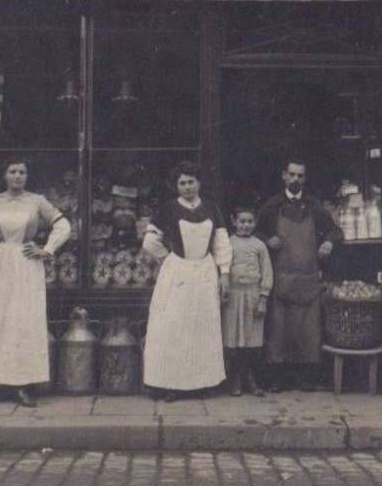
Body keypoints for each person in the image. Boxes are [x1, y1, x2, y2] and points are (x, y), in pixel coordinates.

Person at [0, 157, 71, 407]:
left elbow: (63, 225)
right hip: (1, 262)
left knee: (25, 321)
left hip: (27, 262)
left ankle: (24, 384)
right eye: (12, 171)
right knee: (1, 320)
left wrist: (47, 249)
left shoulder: (37, 201)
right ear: (4, 175)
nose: (17, 176)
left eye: (22, 172)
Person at [142, 161, 231, 402]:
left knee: (201, 326)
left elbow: (221, 243)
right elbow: (149, 243)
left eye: (191, 182)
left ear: (199, 183)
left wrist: (224, 274)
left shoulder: (212, 209)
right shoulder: (168, 209)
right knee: (174, 327)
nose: (187, 187)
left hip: (204, 273)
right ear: (176, 186)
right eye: (182, 183)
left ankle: (201, 383)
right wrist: (169, 259)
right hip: (178, 274)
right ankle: (172, 384)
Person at [256, 158, 342, 392]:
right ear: (284, 176)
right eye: (291, 175)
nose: (295, 179)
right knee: (278, 331)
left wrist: (328, 243)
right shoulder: (272, 206)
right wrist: (267, 239)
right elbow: (255, 232)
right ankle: (277, 381)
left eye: (300, 176)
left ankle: (304, 379)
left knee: (307, 332)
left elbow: (336, 232)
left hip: (308, 279)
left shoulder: (315, 206)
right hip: (281, 280)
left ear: (305, 178)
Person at [222, 207, 274, 397]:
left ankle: (250, 379)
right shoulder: (227, 244)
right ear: (234, 221)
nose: (246, 225)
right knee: (233, 339)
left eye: (250, 222)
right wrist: (223, 291)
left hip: (253, 296)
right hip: (233, 296)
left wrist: (263, 298)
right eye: (242, 221)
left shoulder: (259, 245)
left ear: (255, 223)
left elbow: (267, 272)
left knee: (252, 340)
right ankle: (235, 379)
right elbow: (222, 269)